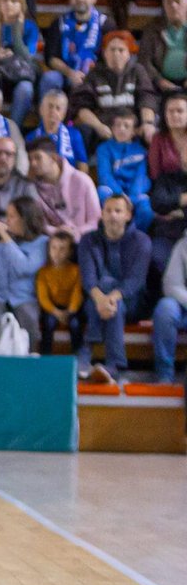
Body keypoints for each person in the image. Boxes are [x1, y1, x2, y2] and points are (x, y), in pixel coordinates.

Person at [77, 194, 150, 382]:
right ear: (101, 213)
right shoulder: (87, 240)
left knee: (110, 292)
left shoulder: (142, 241)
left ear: (128, 215)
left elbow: (136, 281)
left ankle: (86, 351)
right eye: (108, 210)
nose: (112, 216)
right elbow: (88, 278)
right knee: (105, 294)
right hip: (97, 301)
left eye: (118, 211)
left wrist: (111, 298)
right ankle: (114, 365)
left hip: (132, 302)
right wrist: (102, 299)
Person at [0, 194, 48, 353]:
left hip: (23, 296)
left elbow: (24, 267)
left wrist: (6, 238)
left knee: (29, 320)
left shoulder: (41, 242)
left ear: (24, 218)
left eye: (12, 216)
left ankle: (30, 361)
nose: (7, 220)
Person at [72, 31, 160, 142]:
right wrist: (98, 126)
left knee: (152, 130)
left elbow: (147, 98)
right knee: (84, 129)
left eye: (121, 50)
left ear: (129, 54)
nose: (116, 54)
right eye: (112, 50)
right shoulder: (94, 74)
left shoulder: (138, 71)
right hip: (104, 130)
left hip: (133, 129)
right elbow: (82, 106)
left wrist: (147, 123)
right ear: (105, 53)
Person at [40, 0, 108, 100]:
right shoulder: (59, 22)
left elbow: (108, 59)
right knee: (49, 79)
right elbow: (50, 57)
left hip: (96, 75)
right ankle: (46, 119)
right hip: (65, 73)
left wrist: (88, 75)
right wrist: (71, 73)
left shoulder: (105, 23)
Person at [26, 137, 100, 238]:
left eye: (37, 158)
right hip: (53, 242)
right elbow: (40, 224)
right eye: (30, 159)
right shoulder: (32, 188)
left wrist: (75, 233)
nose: (33, 164)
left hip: (84, 239)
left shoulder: (82, 180)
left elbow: (95, 221)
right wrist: (58, 232)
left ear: (53, 157)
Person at [95, 112, 153, 233]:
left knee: (146, 209)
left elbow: (141, 177)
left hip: (134, 192)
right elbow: (105, 175)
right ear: (112, 128)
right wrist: (121, 197)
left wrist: (130, 198)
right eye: (118, 125)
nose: (121, 129)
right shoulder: (103, 149)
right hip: (113, 191)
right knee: (102, 192)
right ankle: (108, 233)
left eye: (126, 126)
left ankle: (134, 236)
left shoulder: (141, 151)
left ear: (134, 131)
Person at [149, 93, 187, 274]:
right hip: (167, 190)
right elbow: (156, 177)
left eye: (180, 111)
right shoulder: (159, 138)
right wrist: (180, 201)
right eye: (170, 111)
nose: (175, 115)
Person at [36, 231, 86, 358]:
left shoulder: (76, 271)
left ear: (70, 252)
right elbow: (43, 297)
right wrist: (56, 312)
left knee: (75, 325)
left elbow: (77, 294)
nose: (57, 253)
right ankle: (46, 356)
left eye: (62, 249)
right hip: (52, 308)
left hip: (71, 308)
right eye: (54, 248)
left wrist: (70, 311)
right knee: (49, 323)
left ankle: (78, 357)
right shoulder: (43, 272)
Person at [140, 0, 187, 96]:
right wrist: (159, 80)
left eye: (177, 1)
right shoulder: (152, 29)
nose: (173, 6)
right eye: (168, 2)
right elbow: (144, 61)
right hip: (160, 85)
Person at [27, 89, 89, 174]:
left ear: (63, 114)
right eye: (50, 106)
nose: (53, 111)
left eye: (58, 108)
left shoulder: (74, 135)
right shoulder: (31, 137)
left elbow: (82, 165)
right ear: (41, 109)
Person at [151, 235, 187, 383]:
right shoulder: (183, 244)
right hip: (183, 304)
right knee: (165, 309)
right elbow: (171, 284)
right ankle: (164, 374)